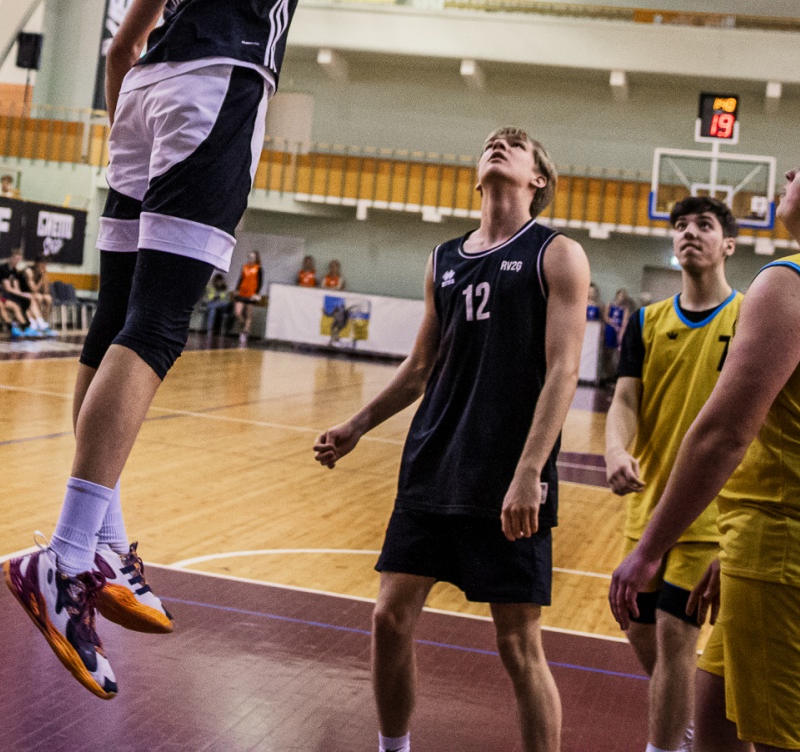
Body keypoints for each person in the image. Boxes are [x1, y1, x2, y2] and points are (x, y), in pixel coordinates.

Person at [5, 0, 303, 700]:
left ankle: (106, 540)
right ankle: (65, 556)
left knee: (114, 323)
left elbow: (120, 44)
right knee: (161, 326)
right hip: (213, 85)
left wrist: (120, 131)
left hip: (145, 94)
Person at [610, 120, 800, 752]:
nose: (789, 175)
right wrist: (739, 550)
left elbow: (724, 434)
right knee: (715, 725)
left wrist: (649, 550)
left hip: (797, 546)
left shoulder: (794, 279)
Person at [313, 128, 591, 752]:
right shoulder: (443, 259)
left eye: (516, 144)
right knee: (389, 618)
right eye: (492, 141)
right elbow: (420, 367)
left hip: (508, 474)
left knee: (518, 644)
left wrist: (530, 472)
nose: (499, 144)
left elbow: (564, 370)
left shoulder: (557, 254)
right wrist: (356, 426)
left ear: (538, 179)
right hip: (434, 461)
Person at [603, 196, 743, 752]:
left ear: (728, 244)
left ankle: (666, 745)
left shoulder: (750, 319)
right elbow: (624, 400)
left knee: (674, 636)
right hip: (648, 506)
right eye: (680, 225)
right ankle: (685, 727)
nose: (689, 232)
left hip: (710, 514)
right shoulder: (646, 321)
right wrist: (616, 450)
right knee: (640, 629)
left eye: (704, 225)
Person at [600, 287, 635, 385]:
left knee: (618, 354)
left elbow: (624, 322)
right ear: (617, 295)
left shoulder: (625, 309)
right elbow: (605, 317)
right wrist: (612, 323)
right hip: (610, 330)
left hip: (618, 332)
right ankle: (606, 374)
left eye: (624, 296)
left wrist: (621, 333)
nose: (622, 298)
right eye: (620, 295)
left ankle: (615, 375)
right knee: (607, 353)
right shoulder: (610, 305)